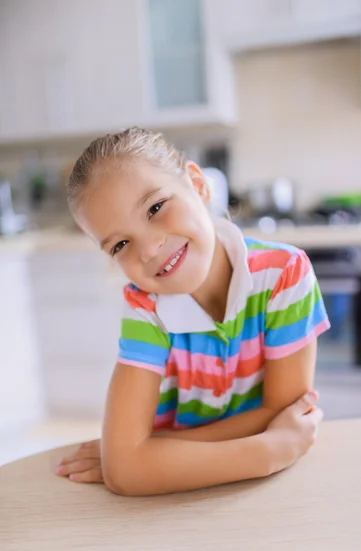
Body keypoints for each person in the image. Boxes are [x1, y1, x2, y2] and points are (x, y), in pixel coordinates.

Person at [55, 127, 330, 496]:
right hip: (177, 503)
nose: (150, 250)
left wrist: (153, 452)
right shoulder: (146, 305)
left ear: (198, 186)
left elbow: (285, 413)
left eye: (155, 208)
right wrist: (265, 452)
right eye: (121, 244)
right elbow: (124, 472)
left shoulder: (284, 274)